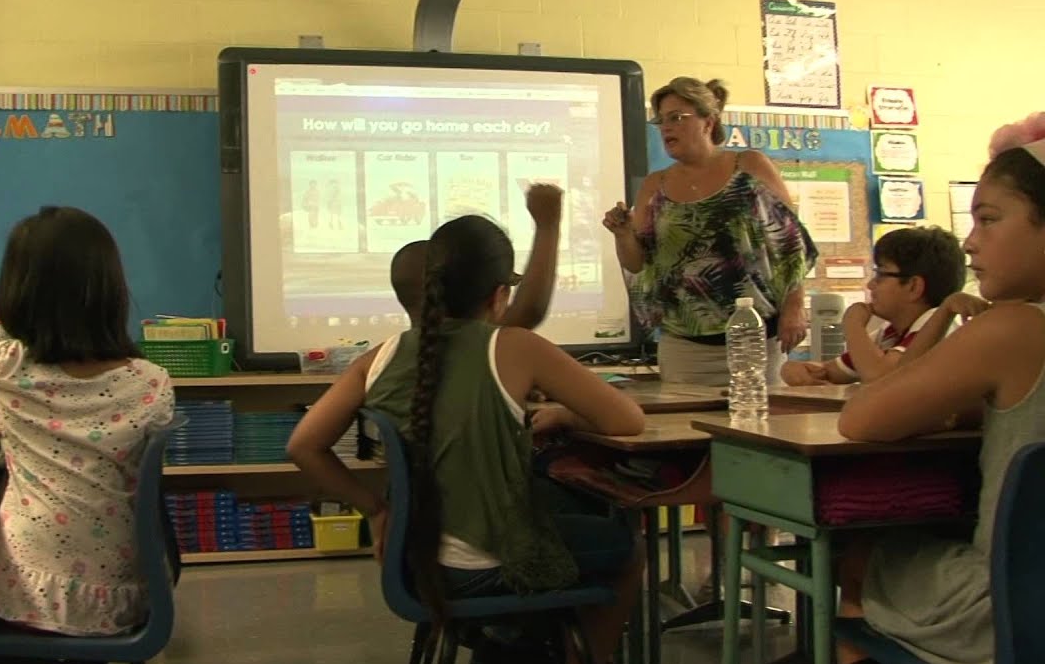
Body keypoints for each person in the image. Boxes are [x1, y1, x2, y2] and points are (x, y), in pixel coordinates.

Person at [288, 214, 647, 664]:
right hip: (487, 564)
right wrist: (564, 414)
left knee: (557, 501)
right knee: (627, 549)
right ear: (499, 295)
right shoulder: (516, 347)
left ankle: (516, 647)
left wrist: (375, 510)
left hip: (416, 561)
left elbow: (303, 445)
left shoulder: (378, 358)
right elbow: (628, 420)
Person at [0, 89, 175, 638]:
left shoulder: (6, 363)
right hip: (130, 599)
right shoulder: (152, 382)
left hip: (35, 597)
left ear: (20, 289)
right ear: (112, 285)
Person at [835, 113, 1045, 664]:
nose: (970, 241)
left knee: (855, 555)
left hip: (1013, 613)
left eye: (989, 219)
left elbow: (861, 418)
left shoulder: (1012, 328)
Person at [603, 76, 818, 387]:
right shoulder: (655, 185)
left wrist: (795, 306)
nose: (666, 128)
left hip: (755, 339)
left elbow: (790, 244)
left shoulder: (750, 166)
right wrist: (622, 235)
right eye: (661, 121)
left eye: (677, 118)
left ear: (708, 121)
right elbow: (637, 264)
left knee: (758, 427)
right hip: (685, 347)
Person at [781, 226, 967, 386]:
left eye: (881, 275)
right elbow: (829, 371)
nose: (871, 285)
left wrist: (853, 324)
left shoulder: (937, 322)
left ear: (913, 286)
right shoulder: (890, 332)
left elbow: (880, 378)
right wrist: (792, 369)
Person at [390, 183, 564, 329]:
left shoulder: (373, 362)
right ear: (498, 297)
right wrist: (547, 227)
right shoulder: (492, 348)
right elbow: (527, 313)